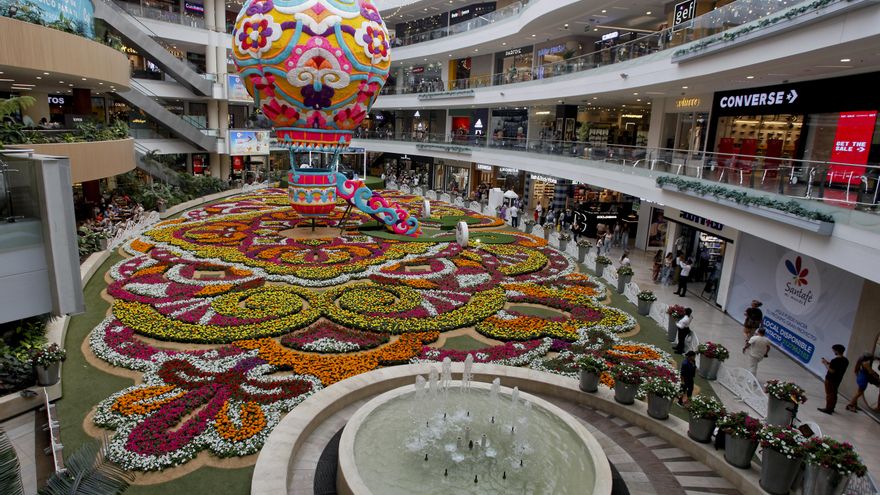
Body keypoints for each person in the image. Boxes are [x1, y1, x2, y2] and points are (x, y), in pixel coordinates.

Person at [818, 344, 849, 414]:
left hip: (830, 379)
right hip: (838, 379)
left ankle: (828, 408)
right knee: (834, 394)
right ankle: (832, 407)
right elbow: (838, 368)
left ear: (837, 351)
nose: (833, 351)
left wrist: (825, 364)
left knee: (829, 394)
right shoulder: (845, 360)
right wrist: (828, 362)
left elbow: (832, 370)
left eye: (834, 350)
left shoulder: (835, 360)